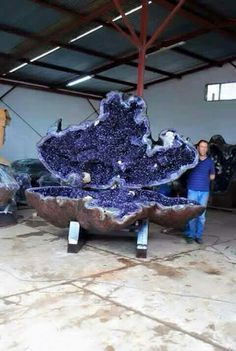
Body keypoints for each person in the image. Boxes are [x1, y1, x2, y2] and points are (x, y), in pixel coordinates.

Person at [185, 139, 215, 244]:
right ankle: (190, 235)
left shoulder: (210, 162)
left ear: (207, 149)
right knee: (191, 213)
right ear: (197, 147)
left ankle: (198, 236)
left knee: (201, 216)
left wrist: (208, 177)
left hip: (204, 192)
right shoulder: (192, 160)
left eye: (205, 147)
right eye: (201, 146)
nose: (203, 149)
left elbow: (212, 176)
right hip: (192, 189)